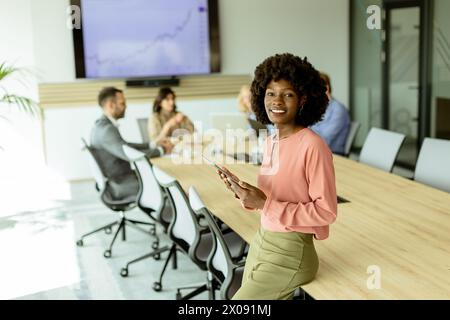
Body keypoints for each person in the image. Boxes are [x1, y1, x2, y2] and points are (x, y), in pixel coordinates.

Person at [217, 53, 338, 300]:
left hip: (291, 253)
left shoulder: (313, 146)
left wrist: (265, 203)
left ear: (303, 99)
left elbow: (326, 211)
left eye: (288, 94)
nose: (277, 101)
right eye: (270, 93)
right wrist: (245, 192)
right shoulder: (272, 141)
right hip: (263, 239)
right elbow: (273, 199)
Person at [91, 87, 173, 200]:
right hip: (120, 184)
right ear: (111, 105)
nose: (126, 106)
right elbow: (130, 155)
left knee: (161, 175)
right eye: (122, 103)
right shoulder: (107, 130)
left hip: (120, 178)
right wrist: (162, 150)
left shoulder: (101, 126)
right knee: (168, 181)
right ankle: (173, 215)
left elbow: (125, 146)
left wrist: (152, 144)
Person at [310, 73, 350, 155]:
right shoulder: (317, 107)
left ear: (326, 88)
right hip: (316, 150)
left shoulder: (338, 110)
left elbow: (325, 140)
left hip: (333, 154)